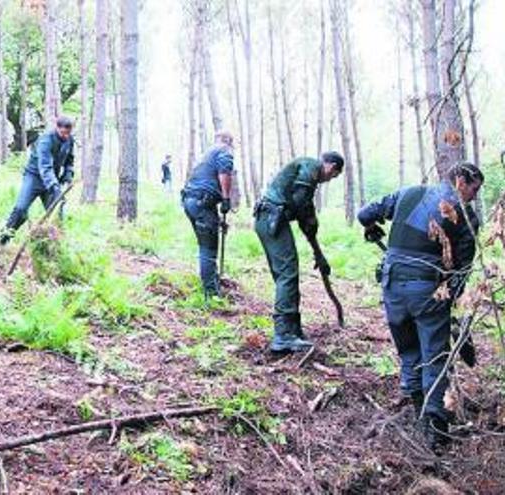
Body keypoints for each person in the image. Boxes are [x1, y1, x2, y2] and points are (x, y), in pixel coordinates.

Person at [358, 163, 483, 451]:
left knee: (410, 352)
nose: (474, 197)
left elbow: (365, 214)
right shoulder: (464, 216)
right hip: (427, 290)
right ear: (461, 181)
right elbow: (460, 272)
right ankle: (436, 430)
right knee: (434, 357)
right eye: (474, 189)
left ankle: (419, 414)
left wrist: (372, 227)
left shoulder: (409, 192)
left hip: (392, 286)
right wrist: (448, 303)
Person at [253, 151, 344, 353]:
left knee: (285, 274)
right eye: (334, 175)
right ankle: (283, 335)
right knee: (287, 273)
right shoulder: (311, 166)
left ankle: (293, 330)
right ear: (330, 166)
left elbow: (307, 221)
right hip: (271, 218)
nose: (330, 179)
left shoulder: (307, 181)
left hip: (267, 219)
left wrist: (319, 255)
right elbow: (302, 206)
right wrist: (310, 222)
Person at [0, 116, 75, 245]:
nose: (66, 136)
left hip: (52, 180)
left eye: (68, 133)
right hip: (34, 178)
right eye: (63, 133)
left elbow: (70, 160)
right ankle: (5, 237)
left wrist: (68, 174)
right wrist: (54, 186)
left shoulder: (69, 140)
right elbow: (45, 166)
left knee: (57, 213)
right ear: (57, 128)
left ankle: (59, 246)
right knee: (21, 209)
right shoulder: (45, 140)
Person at [181, 132, 235, 298]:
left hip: (191, 201)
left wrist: (218, 220)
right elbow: (224, 173)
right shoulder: (224, 151)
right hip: (202, 203)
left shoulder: (206, 154)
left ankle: (211, 281)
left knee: (206, 244)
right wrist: (226, 198)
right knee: (208, 248)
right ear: (229, 142)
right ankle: (211, 294)